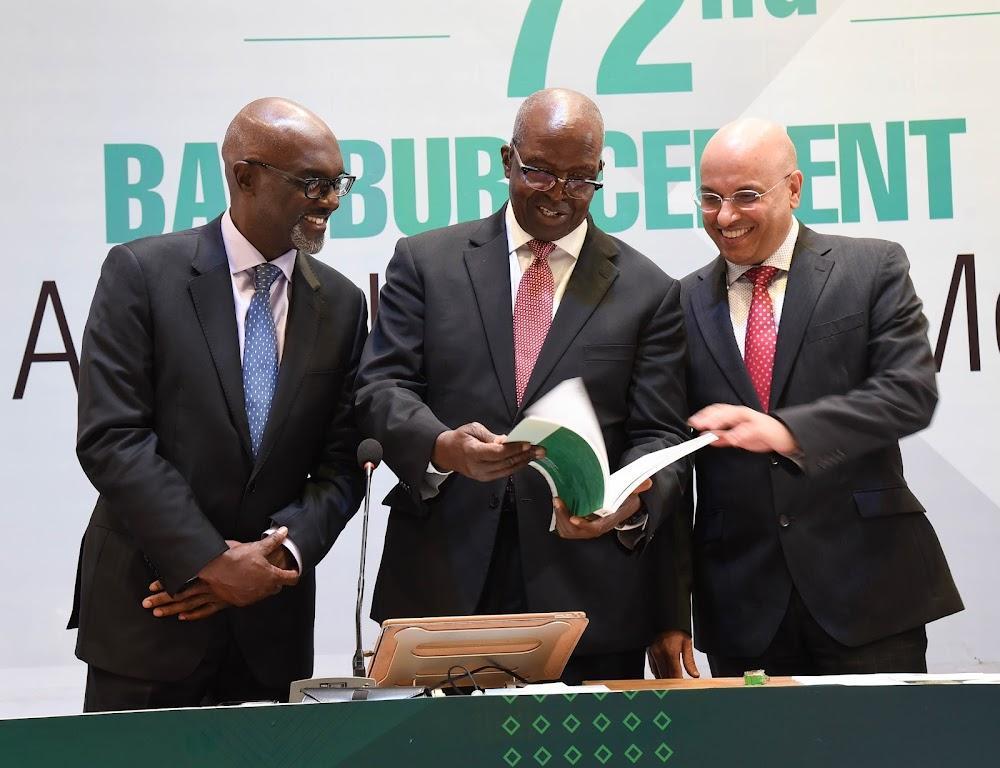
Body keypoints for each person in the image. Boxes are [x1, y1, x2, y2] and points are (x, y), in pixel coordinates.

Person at [355, 88, 695, 683]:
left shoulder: (650, 291)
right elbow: (381, 388)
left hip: (588, 592)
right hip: (442, 581)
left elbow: (660, 436)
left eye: (580, 178)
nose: (558, 193)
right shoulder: (426, 262)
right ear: (506, 159)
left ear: (599, 172)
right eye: (539, 171)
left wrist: (626, 503)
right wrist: (442, 447)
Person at [70, 97, 367, 711]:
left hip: (270, 629)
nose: (331, 201)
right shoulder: (142, 273)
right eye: (312, 182)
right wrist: (208, 560)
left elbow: (343, 463)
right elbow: (113, 437)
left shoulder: (341, 304)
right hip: (152, 611)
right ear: (245, 176)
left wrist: (276, 556)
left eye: (338, 182)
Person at [680, 117, 963, 676]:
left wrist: (788, 432)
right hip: (742, 604)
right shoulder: (680, 301)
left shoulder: (872, 267)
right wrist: (665, 611)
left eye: (746, 196)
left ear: (793, 188)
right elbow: (667, 449)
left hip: (869, 588)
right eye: (710, 199)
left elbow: (909, 393)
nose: (726, 216)